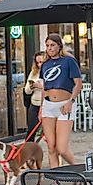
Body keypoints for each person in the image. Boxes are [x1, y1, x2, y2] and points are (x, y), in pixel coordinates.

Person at [35, 33, 81, 167]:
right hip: (48, 106)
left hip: (64, 105)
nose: (50, 48)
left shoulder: (68, 61)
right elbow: (44, 87)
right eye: (47, 45)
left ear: (59, 46)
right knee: (51, 147)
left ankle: (78, 170)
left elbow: (78, 84)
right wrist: (41, 108)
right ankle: (56, 182)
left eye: (52, 45)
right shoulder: (45, 65)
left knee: (61, 148)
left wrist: (70, 102)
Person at [23, 51, 45, 139]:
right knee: (31, 130)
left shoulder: (50, 72)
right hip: (34, 103)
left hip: (46, 104)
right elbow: (27, 91)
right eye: (37, 62)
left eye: (41, 62)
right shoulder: (34, 72)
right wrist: (31, 86)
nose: (39, 65)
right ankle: (28, 149)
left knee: (47, 132)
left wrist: (41, 86)